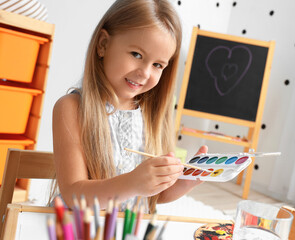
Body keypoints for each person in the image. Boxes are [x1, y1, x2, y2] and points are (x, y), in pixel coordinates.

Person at [52, 0, 207, 213]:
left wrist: (186, 182)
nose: (144, 72)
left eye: (157, 65)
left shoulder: (153, 117)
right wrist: (132, 183)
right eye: (137, 55)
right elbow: (73, 195)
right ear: (103, 45)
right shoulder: (71, 108)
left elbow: (153, 196)